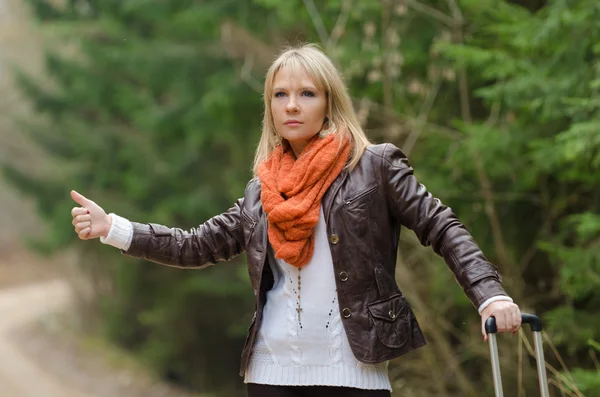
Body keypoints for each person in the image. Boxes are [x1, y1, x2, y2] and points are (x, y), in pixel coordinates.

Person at [70, 43, 521, 397]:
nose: (291, 105)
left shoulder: (374, 167)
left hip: (352, 367)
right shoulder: (261, 190)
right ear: (269, 107)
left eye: (306, 93)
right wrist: (113, 227)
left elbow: (441, 226)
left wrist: (489, 296)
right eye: (280, 95)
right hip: (271, 368)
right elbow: (195, 245)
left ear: (329, 101)